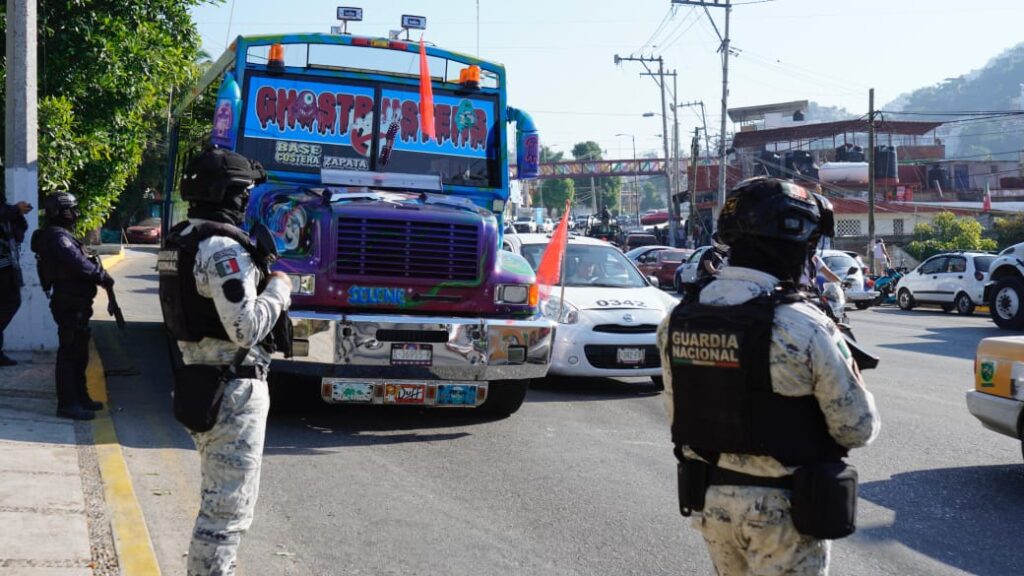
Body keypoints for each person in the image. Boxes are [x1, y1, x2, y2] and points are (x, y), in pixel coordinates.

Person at [657, 177, 880, 575]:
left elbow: (680, 415)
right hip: (786, 513)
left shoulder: (676, 319)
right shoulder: (804, 326)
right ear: (797, 245)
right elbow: (857, 429)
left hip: (712, 502)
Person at [158, 147, 291, 576]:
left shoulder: (181, 238)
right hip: (232, 390)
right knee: (226, 516)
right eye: (244, 191)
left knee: (219, 505)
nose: (246, 200)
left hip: (199, 379)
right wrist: (281, 290)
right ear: (228, 192)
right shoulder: (221, 249)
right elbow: (246, 327)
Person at [32, 193, 111, 420]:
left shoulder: (61, 236)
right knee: (69, 352)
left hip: (76, 302)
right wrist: (100, 275)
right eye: (71, 209)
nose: (75, 214)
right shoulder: (57, 238)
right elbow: (78, 264)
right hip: (68, 302)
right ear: (58, 212)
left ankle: (80, 396)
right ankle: (68, 403)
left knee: (79, 352)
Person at [0, 198, 31, 366]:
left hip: (7, 267)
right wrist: (16, 210)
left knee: (12, 302)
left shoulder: (6, 209)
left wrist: (18, 213)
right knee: (9, 303)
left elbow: (20, 231)